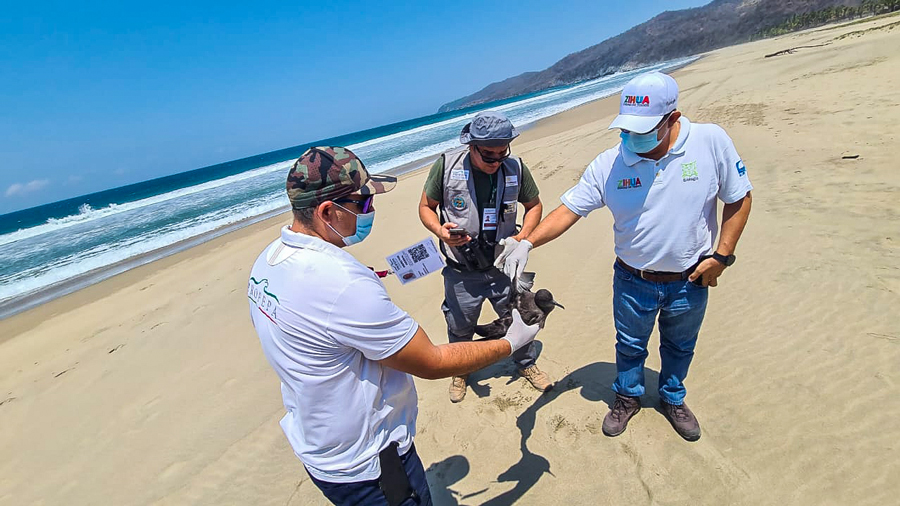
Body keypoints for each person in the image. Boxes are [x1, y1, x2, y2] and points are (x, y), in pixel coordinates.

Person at [247, 146, 541, 506]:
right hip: (372, 461)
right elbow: (431, 361)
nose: (370, 210)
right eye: (364, 203)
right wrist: (511, 342)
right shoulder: (341, 284)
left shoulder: (268, 261)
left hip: (319, 445)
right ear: (327, 211)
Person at [497, 72, 753, 441]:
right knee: (630, 345)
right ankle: (627, 397)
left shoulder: (710, 142)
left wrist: (722, 256)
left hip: (691, 279)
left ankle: (672, 397)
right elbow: (569, 210)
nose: (632, 137)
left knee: (680, 345)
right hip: (633, 280)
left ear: (673, 119)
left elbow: (739, 197)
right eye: (626, 129)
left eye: (642, 130)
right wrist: (527, 242)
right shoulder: (609, 164)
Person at [417, 111, 551, 403]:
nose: (496, 161)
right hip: (461, 272)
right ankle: (461, 370)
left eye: (503, 153)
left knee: (519, 317)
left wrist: (522, 238)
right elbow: (426, 207)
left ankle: (526, 363)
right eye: (488, 155)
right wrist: (440, 231)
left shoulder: (515, 168)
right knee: (459, 325)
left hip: (504, 267)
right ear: (471, 146)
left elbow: (534, 206)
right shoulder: (446, 166)